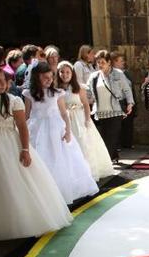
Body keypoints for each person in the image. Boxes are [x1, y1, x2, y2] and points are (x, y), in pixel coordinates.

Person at [0, 63, 72, 240]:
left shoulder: (12, 101)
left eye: (4, 81)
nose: (3, 84)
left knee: (8, 178)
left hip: (7, 143)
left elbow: (22, 126)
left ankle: (15, 220)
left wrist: (25, 149)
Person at [23, 61, 97, 204]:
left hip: (55, 128)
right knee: (42, 157)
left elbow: (64, 114)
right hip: (37, 128)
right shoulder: (29, 94)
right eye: (45, 78)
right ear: (37, 78)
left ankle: (61, 188)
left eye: (51, 77)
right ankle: (43, 189)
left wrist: (68, 130)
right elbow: (26, 115)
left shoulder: (57, 93)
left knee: (60, 157)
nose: (49, 80)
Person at [57, 61, 116, 180]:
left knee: (83, 142)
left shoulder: (78, 87)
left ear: (72, 73)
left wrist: (87, 119)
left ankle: (88, 171)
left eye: (68, 72)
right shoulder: (56, 90)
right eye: (62, 72)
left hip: (78, 117)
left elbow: (85, 104)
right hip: (64, 119)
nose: (65, 74)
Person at [87, 50, 135, 161]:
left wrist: (130, 103)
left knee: (111, 136)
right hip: (100, 112)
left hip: (116, 110)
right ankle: (114, 156)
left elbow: (127, 89)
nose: (100, 65)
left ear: (109, 62)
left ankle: (105, 161)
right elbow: (88, 92)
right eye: (98, 62)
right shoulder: (93, 77)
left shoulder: (118, 74)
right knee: (104, 137)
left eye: (102, 62)